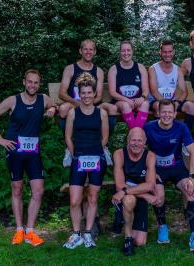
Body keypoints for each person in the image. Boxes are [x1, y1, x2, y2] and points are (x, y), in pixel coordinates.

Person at [0, 69, 57, 246]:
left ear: (39, 84)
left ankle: (30, 231)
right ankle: (19, 230)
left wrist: (53, 109)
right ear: (24, 82)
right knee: (17, 189)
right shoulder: (13, 100)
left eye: (36, 82)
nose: (33, 85)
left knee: (38, 190)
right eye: (30, 82)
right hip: (15, 151)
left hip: (33, 152)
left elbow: (54, 105)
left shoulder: (43, 99)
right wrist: (0, 139)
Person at [144, 99, 194, 252]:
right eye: (164, 112)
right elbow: (140, 150)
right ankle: (162, 227)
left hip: (177, 168)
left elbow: (193, 152)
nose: (167, 115)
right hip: (157, 170)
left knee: (191, 192)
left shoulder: (181, 127)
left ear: (175, 114)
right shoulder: (148, 128)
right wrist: (150, 171)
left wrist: (192, 177)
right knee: (159, 195)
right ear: (158, 113)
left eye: (170, 112)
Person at [63, 72, 109, 249]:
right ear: (79, 94)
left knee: (92, 197)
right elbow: (68, 137)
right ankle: (76, 234)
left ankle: (88, 233)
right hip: (78, 157)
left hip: (96, 158)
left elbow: (105, 137)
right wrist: (77, 154)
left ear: (94, 93)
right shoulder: (73, 113)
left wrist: (95, 152)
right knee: (74, 200)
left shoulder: (102, 113)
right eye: (84, 93)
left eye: (90, 92)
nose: (87, 96)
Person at [58, 39, 114, 167]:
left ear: (94, 52)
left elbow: (99, 95)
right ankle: (69, 144)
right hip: (75, 103)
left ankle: (103, 144)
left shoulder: (98, 71)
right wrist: (79, 104)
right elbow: (62, 93)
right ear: (80, 51)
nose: (88, 52)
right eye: (85, 49)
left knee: (110, 109)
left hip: (92, 102)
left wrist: (89, 104)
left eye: (91, 49)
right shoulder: (70, 68)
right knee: (63, 110)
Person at [112, 127, 157, 256]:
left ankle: (122, 219)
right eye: (133, 140)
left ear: (145, 141)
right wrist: (145, 195)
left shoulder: (150, 156)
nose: (136, 143)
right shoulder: (119, 154)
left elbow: (149, 185)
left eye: (139, 140)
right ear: (128, 140)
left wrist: (128, 191)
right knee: (129, 199)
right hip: (124, 197)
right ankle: (128, 238)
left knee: (141, 242)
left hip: (134, 195)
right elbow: (119, 185)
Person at [148, 40, 194, 122]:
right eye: (164, 52)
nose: (167, 54)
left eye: (170, 52)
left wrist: (177, 103)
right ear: (160, 52)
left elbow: (184, 92)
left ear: (173, 52)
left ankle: (184, 133)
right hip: (157, 100)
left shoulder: (178, 69)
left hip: (173, 101)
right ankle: (160, 134)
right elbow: (154, 91)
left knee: (192, 107)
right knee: (158, 107)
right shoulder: (153, 69)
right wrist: (168, 106)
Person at [108, 40, 149, 129]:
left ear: (132, 51)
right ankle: (134, 134)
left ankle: (136, 136)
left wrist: (142, 98)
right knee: (126, 106)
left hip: (137, 101)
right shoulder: (114, 69)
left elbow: (146, 89)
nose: (126, 53)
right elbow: (112, 92)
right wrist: (127, 100)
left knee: (145, 104)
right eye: (123, 50)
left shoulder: (140, 67)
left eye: (128, 50)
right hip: (120, 102)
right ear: (120, 52)